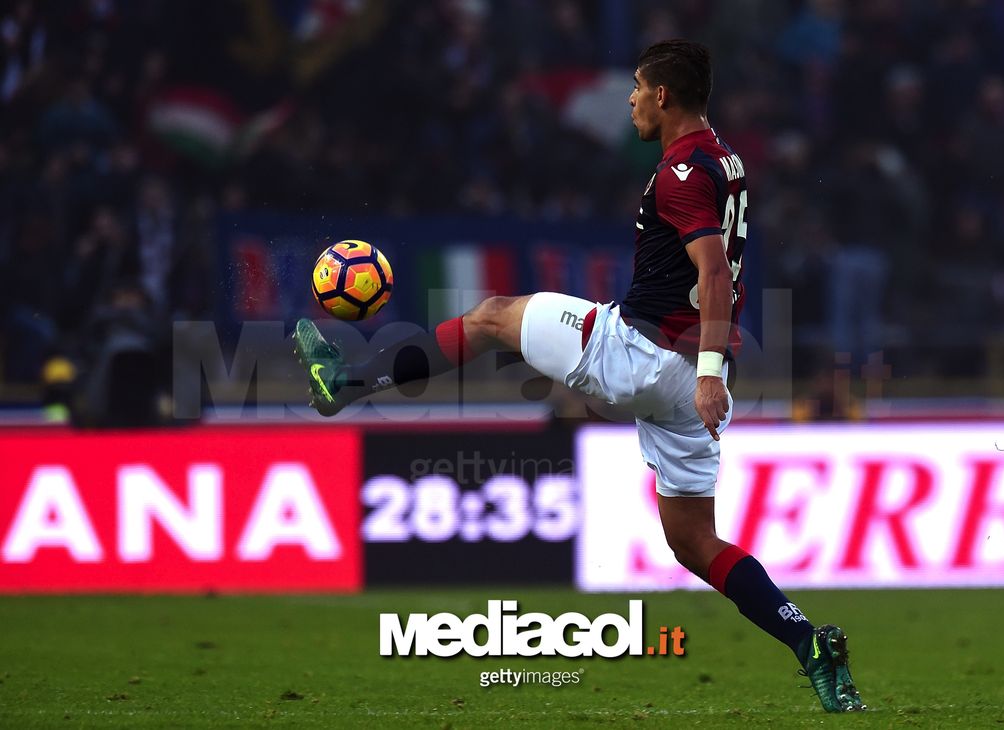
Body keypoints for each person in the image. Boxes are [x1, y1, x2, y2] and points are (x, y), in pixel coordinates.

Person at [294, 39, 865, 713]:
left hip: (646, 355)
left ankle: (351, 384)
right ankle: (808, 643)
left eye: (635, 87)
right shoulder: (726, 159)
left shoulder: (682, 172)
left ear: (663, 96)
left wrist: (708, 369)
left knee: (490, 317)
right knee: (691, 540)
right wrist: (709, 374)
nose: (627, 99)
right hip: (690, 384)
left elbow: (712, 273)